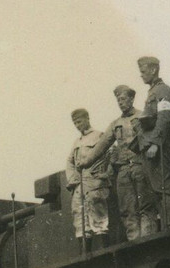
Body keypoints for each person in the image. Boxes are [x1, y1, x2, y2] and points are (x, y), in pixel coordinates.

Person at [97, 85, 157, 240]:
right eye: (118, 100)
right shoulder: (115, 124)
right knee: (127, 208)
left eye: (123, 99)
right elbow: (102, 144)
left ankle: (148, 240)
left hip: (140, 166)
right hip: (123, 170)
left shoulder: (142, 116)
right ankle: (135, 240)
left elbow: (155, 135)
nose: (120, 102)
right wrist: (87, 159)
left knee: (146, 205)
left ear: (131, 99)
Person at [136, 56, 170, 228]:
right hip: (149, 148)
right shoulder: (153, 91)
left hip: (158, 148)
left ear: (153, 70)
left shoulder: (163, 91)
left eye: (143, 71)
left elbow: (164, 118)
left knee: (163, 186)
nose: (141, 75)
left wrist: (155, 143)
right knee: (156, 189)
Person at [64, 108, 110, 251]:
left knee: (99, 217)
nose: (77, 125)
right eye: (75, 123)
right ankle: (85, 254)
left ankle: (104, 251)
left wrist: (105, 174)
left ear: (87, 119)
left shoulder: (99, 136)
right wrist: (73, 180)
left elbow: (110, 155)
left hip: (95, 182)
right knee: (80, 218)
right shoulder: (77, 142)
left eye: (79, 121)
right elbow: (70, 162)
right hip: (80, 185)